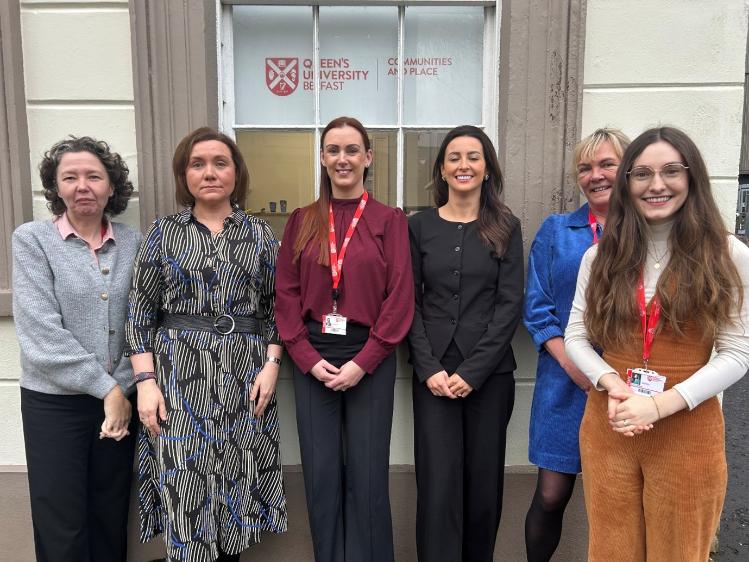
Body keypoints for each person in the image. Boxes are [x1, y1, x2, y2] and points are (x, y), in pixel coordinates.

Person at [565, 126, 749, 561]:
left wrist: (659, 405)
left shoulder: (728, 255)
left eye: (671, 171)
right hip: (611, 424)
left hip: (687, 431)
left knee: (679, 552)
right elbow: (576, 336)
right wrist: (611, 383)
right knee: (611, 551)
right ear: (627, 183)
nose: (656, 184)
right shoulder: (601, 255)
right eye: (643, 174)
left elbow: (737, 352)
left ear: (692, 177)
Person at [125, 127, 287, 562]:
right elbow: (140, 312)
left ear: (236, 173)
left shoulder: (260, 235)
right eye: (197, 164)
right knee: (186, 479)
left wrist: (272, 365)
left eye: (220, 163)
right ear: (184, 175)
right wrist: (145, 383)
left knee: (235, 478)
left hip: (244, 376)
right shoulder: (162, 234)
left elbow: (277, 307)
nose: (209, 173)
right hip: (178, 377)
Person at [275, 116, 414, 562]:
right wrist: (305, 356)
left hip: (369, 355)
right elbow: (286, 294)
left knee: (368, 476)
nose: (342, 159)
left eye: (352, 150)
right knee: (321, 475)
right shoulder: (301, 221)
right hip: (312, 357)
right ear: (322, 157)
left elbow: (400, 297)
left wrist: (364, 361)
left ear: (368, 157)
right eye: (333, 150)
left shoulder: (390, 220)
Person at [13, 136, 140, 561]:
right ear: (56, 187)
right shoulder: (32, 240)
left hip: (120, 398)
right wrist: (109, 390)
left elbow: (144, 322)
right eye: (70, 177)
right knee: (61, 522)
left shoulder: (133, 243)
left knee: (109, 515)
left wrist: (121, 386)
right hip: (55, 404)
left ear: (111, 186)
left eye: (93, 177)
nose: (82, 186)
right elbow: (40, 334)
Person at [407, 125, 524, 562]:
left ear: (487, 168)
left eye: (473, 157)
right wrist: (428, 368)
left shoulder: (506, 227)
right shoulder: (418, 227)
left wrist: (473, 372)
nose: (463, 165)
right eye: (454, 157)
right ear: (441, 169)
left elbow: (509, 305)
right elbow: (408, 302)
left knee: (483, 483)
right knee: (437, 485)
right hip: (433, 376)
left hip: (489, 377)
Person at [523, 128, 630, 561]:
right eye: (585, 168)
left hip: (628, 385)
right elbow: (537, 309)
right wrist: (580, 371)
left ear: (628, 169)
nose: (595, 175)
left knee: (622, 497)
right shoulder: (556, 231)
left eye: (607, 164)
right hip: (565, 383)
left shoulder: (648, 230)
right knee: (551, 495)